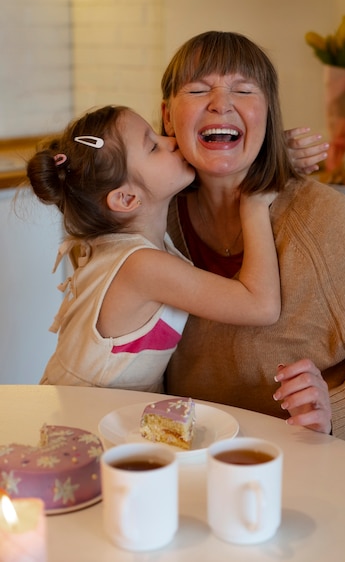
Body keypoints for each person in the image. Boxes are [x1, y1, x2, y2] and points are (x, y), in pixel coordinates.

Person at [161, 30, 345, 474]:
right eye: (198, 89)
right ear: (168, 118)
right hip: (208, 467)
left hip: (343, 471)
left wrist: (334, 410)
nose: (221, 103)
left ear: (267, 116)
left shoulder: (324, 220)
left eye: (243, 90)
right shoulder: (153, 221)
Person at [26, 105, 281, 392]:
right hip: (85, 421)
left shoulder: (119, 246)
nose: (171, 141)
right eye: (153, 147)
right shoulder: (142, 266)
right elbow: (261, 306)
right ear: (125, 198)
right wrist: (254, 206)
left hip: (99, 414)